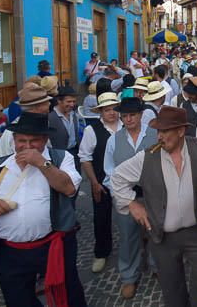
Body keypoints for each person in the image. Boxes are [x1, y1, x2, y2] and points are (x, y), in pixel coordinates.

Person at [111, 107, 197, 307]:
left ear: (180, 131)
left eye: (164, 131)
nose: (159, 136)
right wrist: (132, 203)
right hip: (162, 236)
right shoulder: (147, 157)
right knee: (171, 287)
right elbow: (117, 178)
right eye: (158, 131)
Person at [0, 112, 86, 306]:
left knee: (68, 294)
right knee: (18, 300)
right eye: (22, 140)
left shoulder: (61, 158)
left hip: (53, 247)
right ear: (14, 140)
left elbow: (68, 188)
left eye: (34, 141)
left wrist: (41, 163)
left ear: (45, 140)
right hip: (10, 253)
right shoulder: (0, 166)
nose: (28, 147)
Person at [104, 97, 158, 299]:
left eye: (132, 115)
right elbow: (109, 173)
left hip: (153, 195)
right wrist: (124, 198)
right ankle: (128, 277)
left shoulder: (154, 135)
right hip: (126, 197)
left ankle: (157, 267)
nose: (128, 119)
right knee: (127, 238)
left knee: (156, 234)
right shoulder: (114, 140)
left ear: (141, 115)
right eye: (124, 116)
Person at [78, 92, 122, 274]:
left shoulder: (125, 126)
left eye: (114, 109)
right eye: (107, 109)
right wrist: (94, 183)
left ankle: (136, 249)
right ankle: (101, 252)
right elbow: (85, 159)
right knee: (101, 218)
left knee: (129, 217)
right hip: (102, 181)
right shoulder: (92, 131)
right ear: (101, 112)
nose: (112, 113)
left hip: (125, 181)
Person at [48, 85, 83, 172]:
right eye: (69, 101)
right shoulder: (50, 118)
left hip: (74, 154)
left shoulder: (75, 115)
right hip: (58, 157)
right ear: (59, 101)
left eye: (74, 101)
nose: (72, 104)